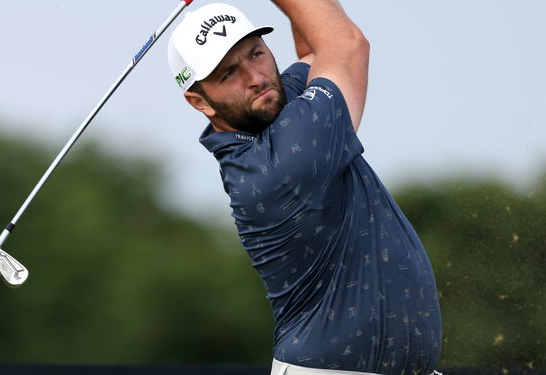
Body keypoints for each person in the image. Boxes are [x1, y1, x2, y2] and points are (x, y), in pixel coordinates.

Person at [167, 1, 442, 374]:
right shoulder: (280, 165)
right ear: (199, 101)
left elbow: (316, 49)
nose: (256, 77)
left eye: (256, 53)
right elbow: (346, 43)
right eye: (229, 73)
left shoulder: (274, 107)